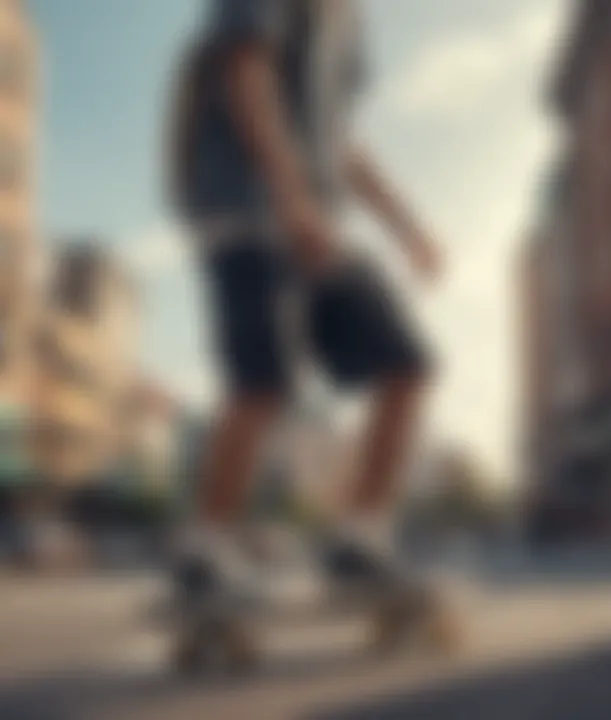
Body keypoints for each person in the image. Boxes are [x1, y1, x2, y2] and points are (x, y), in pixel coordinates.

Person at [168, 0, 442, 598]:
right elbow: (246, 72)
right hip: (245, 210)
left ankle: (360, 541)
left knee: (408, 363)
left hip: (317, 222)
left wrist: (408, 228)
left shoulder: (351, 24)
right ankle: (203, 548)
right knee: (263, 382)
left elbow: (340, 142)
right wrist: (288, 195)